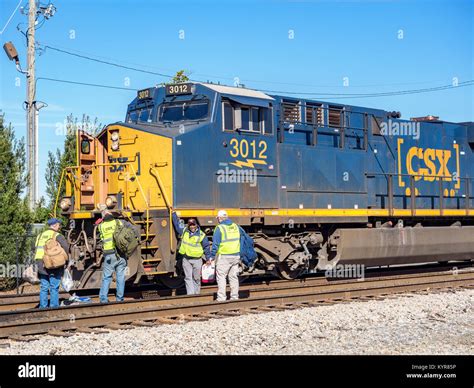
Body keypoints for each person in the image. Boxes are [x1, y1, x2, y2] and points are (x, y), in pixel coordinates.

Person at [98, 210, 137, 303]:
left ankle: (103, 299)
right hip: (121, 254)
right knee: (120, 277)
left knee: (107, 277)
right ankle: (119, 299)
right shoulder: (119, 222)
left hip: (109, 255)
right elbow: (134, 229)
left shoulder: (100, 226)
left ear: (103, 217)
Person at [172, 211, 211, 295]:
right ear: (188, 226)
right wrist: (173, 214)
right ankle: (190, 295)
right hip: (186, 259)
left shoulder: (201, 235)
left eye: (193, 225)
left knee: (196, 278)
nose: (192, 226)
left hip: (197, 260)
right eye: (190, 225)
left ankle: (196, 294)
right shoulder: (184, 232)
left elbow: (206, 247)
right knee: (188, 278)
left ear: (196, 225)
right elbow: (177, 225)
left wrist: (208, 259)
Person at [34, 218, 69, 309]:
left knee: (44, 287)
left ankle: (43, 307)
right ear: (55, 225)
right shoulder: (57, 235)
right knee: (54, 286)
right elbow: (66, 247)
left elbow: (34, 248)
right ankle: (54, 307)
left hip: (40, 263)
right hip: (52, 263)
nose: (59, 226)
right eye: (58, 225)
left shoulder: (40, 235)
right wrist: (65, 259)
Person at [210, 210, 241, 302]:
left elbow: (215, 244)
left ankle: (221, 298)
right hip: (235, 255)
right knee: (233, 277)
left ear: (219, 218)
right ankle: (234, 297)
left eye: (218, 218)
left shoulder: (219, 228)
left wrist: (212, 256)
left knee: (221, 277)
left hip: (224, 256)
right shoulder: (235, 226)